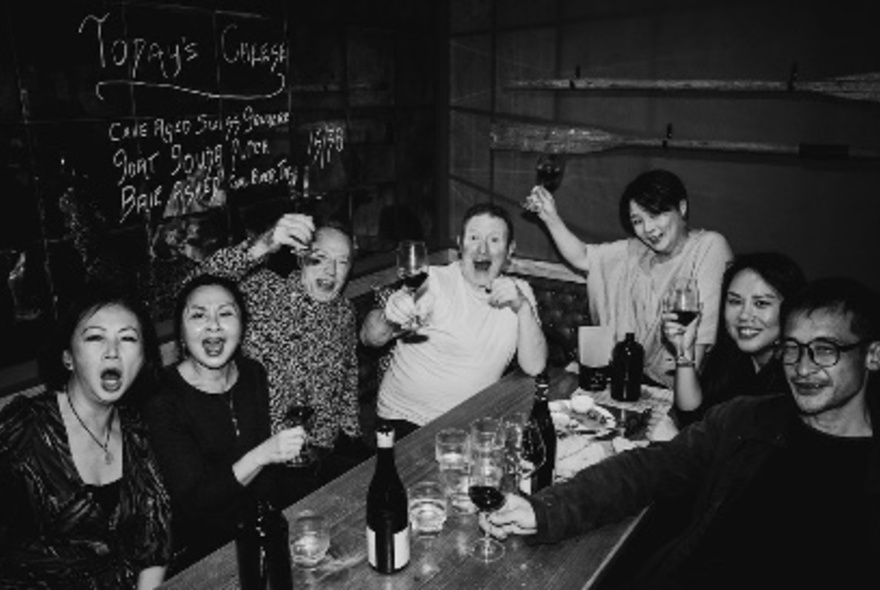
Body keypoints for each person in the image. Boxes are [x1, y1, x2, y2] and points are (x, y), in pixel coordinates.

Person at [482, 276, 879, 589]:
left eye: (825, 350)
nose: (803, 367)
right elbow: (646, 469)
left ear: (873, 355)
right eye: (793, 348)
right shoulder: (748, 419)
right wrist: (543, 509)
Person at [0, 285, 172, 589]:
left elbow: (155, 541)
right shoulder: (23, 430)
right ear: (68, 357)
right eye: (95, 337)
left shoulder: (136, 431)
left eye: (128, 338)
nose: (112, 351)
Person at [143, 274, 308, 568]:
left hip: (261, 529)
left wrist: (279, 526)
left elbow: (266, 482)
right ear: (180, 331)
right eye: (198, 315)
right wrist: (263, 455)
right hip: (206, 552)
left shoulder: (252, 373)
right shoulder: (162, 398)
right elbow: (195, 502)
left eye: (226, 313)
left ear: (242, 326)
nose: (213, 324)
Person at [197, 213, 369, 483]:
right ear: (301, 257)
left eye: (342, 261)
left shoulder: (344, 312)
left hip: (322, 455)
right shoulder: (264, 293)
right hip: (265, 462)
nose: (331, 271)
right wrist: (263, 245)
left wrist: (353, 434)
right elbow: (199, 285)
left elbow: (347, 377)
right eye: (320, 257)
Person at [524, 169, 733, 387]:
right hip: (632, 380)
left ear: (681, 208)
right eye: (638, 220)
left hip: (686, 387)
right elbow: (584, 257)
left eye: (655, 214)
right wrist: (549, 215)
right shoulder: (639, 251)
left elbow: (697, 352)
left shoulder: (708, 247)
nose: (648, 229)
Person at [360, 202, 548, 437]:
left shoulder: (520, 292)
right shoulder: (434, 282)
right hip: (407, 422)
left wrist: (523, 308)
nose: (482, 250)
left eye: (494, 240)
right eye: (474, 238)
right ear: (460, 244)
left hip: (473, 422)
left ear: (510, 250)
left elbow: (535, 366)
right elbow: (370, 337)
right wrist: (389, 316)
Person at [664, 252, 807, 426]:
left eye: (761, 303)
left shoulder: (798, 373)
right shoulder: (735, 357)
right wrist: (684, 352)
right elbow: (694, 419)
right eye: (735, 301)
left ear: (791, 309)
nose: (744, 315)